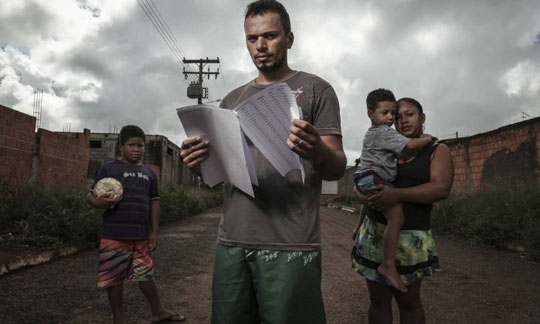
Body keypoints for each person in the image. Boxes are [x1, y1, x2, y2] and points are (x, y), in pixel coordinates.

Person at [180, 1, 346, 323]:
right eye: (252, 38)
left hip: (292, 241)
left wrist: (318, 151)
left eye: (269, 35)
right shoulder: (231, 100)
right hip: (232, 239)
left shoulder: (316, 90)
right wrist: (197, 163)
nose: (260, 46)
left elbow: (337, 165)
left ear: (289, 38)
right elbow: (218, 172)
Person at [351, 97, 454, 324]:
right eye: (398, 116)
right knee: (378, 300)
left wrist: (395, 195)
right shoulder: (386, 147)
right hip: (375, 234)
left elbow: (441, 188)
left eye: (410, 114)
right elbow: (360, 187)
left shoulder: (436, 149)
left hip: (412, 237)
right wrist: (365, 199)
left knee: (409, 301)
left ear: (422, 117)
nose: (403, 120)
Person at [87, 125, 185, 324]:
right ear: (121, 146)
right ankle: (118, 319)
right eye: (131, 144)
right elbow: (91, 195)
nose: (136, 149)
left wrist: (154, 232)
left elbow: (154, 203)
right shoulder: (110, 168)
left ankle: (158, 311)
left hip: (140, 236)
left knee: (146, 274)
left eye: (140, 145)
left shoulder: (148, 173)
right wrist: (98, 202)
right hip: (114, 235)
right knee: (114, 278)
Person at [353, 89, 433, 293]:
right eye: (387, 113)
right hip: (372, 178)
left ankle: (384, 260)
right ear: (371, 114)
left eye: (393, 114)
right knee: (396, 217)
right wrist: (428, 138)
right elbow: (412, 145)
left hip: (367, 178)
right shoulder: (385, 133)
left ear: (421, 117)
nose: (391, 118)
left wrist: (358, 225)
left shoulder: (377, 134)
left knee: (380, 203)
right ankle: (388, 264)